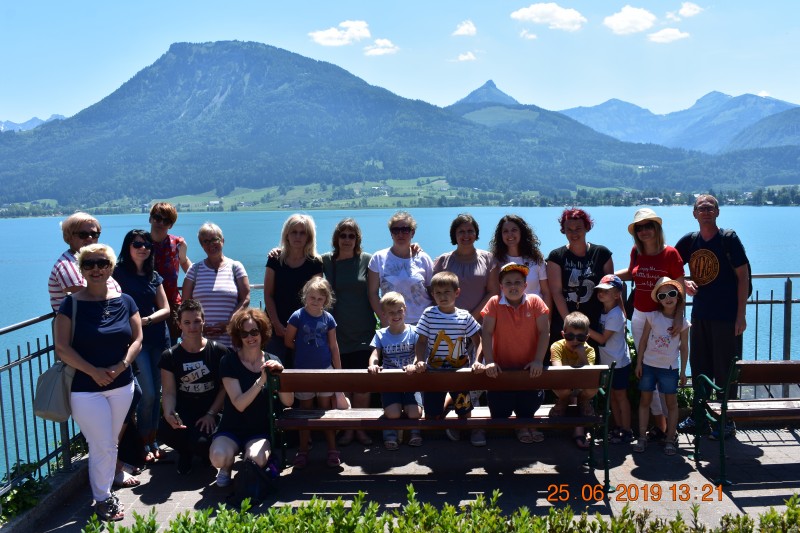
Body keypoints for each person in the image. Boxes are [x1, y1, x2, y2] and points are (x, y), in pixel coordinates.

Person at [54, 244, 142, 521]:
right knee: (102, 443)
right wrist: (93, 371)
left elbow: (138, 339)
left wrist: (122, 365)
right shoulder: (71, 304)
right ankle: (103, 498)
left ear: (111, 267)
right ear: (81, 269)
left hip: (122, 385)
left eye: (102, 263)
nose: (96, 269)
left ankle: (104, 489)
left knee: (110, 443)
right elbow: (62, 348)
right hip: (85, 389)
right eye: (89, 264)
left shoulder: (126, 301)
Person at [675, 194, 749, 440]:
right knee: (700, 368)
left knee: (725, 370)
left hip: (726, 317)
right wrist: (683, 282)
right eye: (701, 208)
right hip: (700, 315)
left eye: (710, 208)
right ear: (694, 213)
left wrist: (741, 315)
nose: (706, 211)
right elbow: (670, 264)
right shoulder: (690, 241)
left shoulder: (728, 239)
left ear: (717, 212)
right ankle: (699, 416)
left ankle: (726, 420)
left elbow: (743, 277)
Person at [616, 208, 685, 443]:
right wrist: (608, 276)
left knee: (664, 369)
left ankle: (667, 427)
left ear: (657, 228)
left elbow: (680, 287)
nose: (644, 231)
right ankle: (661, 425)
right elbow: (632, 273)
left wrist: (678, 317)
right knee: (647, 371)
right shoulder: (636, 252)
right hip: (639, 317)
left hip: (663, 319)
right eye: (639, 228)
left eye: (648, 226)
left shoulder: (670, 254)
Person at [209, 308, 293, 488]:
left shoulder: (273, 360)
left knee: (254, 459)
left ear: (262, 333)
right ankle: (226, 467)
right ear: (238, 336)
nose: (250, 337)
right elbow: (239, 404)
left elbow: (288, 402)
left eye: (254, 332)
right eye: (244, 333)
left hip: (259, 430)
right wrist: (261, 380)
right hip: (232, 427)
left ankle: (250, 469)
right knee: (218, 457)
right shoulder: (229, 361)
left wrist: (280, 376)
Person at [113, 229, 171, 463]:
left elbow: (166, 309)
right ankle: (143, 443)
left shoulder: (153, 276)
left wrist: (145, 320)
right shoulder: (117, 274)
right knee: (147, 393)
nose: (143, 248)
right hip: (136, 343)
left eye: (147, 245)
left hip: (159, 339)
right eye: (137, 244)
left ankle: (152, 440)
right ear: (128, 247)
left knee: (157, 393)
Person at [476, 262, 549, 444]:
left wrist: (538, 360)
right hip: (502, 370)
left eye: (518, 282)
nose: (513, 286)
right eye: (508, 282)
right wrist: (489, 361)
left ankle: (524, 424)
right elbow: (486, 332)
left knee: (528, 407)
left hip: (529, 370)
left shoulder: (535, 301)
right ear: (501, 286)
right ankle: (521, 426)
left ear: (525, 285)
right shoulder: (494, 303)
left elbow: (544, 332)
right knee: (500, 413)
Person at [410, 271, 483, 446]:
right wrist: (419, 360)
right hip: (434, 371)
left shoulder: (464, 316)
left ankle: (466, 432)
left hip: (459, 372)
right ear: (433, 294)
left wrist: (477, 361)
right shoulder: (429, 314)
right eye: (438, 293)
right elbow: (421, 341)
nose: (442, 296)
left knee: (464, 410)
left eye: (447, 292)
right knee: (432, 414)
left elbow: (478, 340)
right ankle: (438, 439)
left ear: (457, 292)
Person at [322, 218, 376, 447]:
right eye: (342, 235)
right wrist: (277, 251)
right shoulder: (326, 261)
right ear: (336, 238)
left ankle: (360, 429)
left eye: (351, 236)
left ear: (357, 239)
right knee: (343, 384)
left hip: (363, 331)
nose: (346, 239)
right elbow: (301, 255)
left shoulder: (367, 260)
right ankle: (348, 429)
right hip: (338, 334)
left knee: (362, 385)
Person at [159, 299, 228, 475]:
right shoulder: (170, 355)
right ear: (179, 324)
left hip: (211, 411)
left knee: (202, 444)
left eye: (197, 321)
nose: (192, 327)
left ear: (203, 321)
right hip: (185, 411)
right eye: (187, 322)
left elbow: (224, 388)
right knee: (165, 430)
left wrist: (211, 414)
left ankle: (203, 452)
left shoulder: (218, 351)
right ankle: (185, 453)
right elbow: (168, 391)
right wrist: (169, 413)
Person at [284, 278, 343, 468]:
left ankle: (332, 449)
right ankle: (303, 450)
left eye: (320, 298)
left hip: (325, 370)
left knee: (326, 412)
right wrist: (304, 351)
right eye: (312, 297)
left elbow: (333, 346)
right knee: (305, 413)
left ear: (326, 300)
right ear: (305, 296)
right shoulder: (297, 316)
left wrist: (338, 371)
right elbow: (288, 340)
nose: (315, 301)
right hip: (303, 372)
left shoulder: (328, 319)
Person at [633, 278, 690, 455]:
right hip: (649, 366)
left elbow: (684, 348)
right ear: (658, 299)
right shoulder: (652, 317)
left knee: (671, 404)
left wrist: (683, 371)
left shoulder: (683, 323)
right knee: (645, 401)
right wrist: (639, 363)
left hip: (669, 369)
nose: (668, 298)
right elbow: (643, 341)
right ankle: (642, 437)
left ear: (678, 296)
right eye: (662, 295)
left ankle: (670, 439)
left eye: (671, 293)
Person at [547, 208, 613, 347]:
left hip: (593, 323)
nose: (574, 233)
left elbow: (611, 287)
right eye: (569, 229)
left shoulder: (601, 254)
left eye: (578, 228)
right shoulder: (556, 256)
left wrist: (619, 316)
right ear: (563, 230)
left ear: (587, 228)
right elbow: (556, 292)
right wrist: (569, 322)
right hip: (565, 325)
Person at [263, 214, 323, 366]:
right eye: (294, 232)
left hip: (304, 330)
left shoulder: (315, 263)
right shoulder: (275, 259)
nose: (298, 236)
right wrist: (276, 324)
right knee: (274, 371)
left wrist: (300, 327)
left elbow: (315, 299)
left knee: (302, 372)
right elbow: (268, 294)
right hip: (275, 328)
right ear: (286, 235)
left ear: (309, 236)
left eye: (302, 233)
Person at [368, 292, 423, 449]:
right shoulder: (381, 334)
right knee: (393, 414)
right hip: (390, 382)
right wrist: (373, 365)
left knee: (415, 413)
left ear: (405, 309)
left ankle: (413, 433)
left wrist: (415, 364)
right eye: (391, 312)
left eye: (399, 311)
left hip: (410, 381)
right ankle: (390, 434)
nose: (396, 315)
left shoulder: (414, 332)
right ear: (384, 314)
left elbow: (419, 354)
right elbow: (375, 355)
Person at [183, 223, 250, 349]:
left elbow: (245, 298)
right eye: (206, 241)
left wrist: (229, 323)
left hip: (230, 340)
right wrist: (199, 326)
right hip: (199, 340)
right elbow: (185, 304)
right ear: (202, 245)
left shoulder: (236, 267)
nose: (211, 244)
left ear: (222, 241)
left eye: (215, 239)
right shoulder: (194, 270)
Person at [587, 274, 634, 444]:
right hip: (608, 362)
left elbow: (602, 339)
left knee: (620, 396)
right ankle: (618, 427)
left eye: (606, 291)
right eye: (600, 290)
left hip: (618, 362)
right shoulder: (605, 311)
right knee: (612, 396)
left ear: (617, 294)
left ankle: (627, 430)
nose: (601, 293)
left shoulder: (615, 314)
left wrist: (584, 328)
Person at [368, 211, 433, 326]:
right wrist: (384, 319)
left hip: (422, 322)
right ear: (391, 233)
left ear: (412, 232)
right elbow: (372, 293)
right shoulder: (378, 258)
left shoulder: (424, 258)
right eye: (396, 230)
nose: (400, 234)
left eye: (405, 229)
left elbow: (433, 292)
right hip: (392, 323)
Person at [48, 212, 120, 312]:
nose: (90, 238)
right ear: (69, 237)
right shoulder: (67, 265)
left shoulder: (90, 262)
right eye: (83, 234)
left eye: (94, 234)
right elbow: (89, 302)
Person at [433, 213, 498, 323]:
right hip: (450, 323)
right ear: (454, 235)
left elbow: (493, 292)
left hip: (481, 323)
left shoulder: (488, 259)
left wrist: (470, 320)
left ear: (476, 233)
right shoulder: (443, 261)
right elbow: (435, 292)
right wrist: (451, 318)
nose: (466, 235)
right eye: (461, 231)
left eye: (470, 231)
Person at [549, 311, 598, 449]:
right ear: (563, 334)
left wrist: (582, 355)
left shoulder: (589, 350)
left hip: (581, 387)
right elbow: (558, 372)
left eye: (580, 337)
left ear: (587, 337)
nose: (575, 341)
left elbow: (590, 376)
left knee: (592, 387)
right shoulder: (557, 346)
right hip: (564, 385)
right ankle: (567, 401)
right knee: (563, 388)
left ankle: (580, 401)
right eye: (570, 336)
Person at [149, 202, 192, 343]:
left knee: (171, 349)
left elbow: (186, 264)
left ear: (171, 225)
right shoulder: (140, 243)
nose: (161, 223)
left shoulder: (177, 244)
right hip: (146, 305)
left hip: (171, 305)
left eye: (166, 221)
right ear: (150, 219)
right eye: (157, 218)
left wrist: (202, 283)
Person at [489, 214, 551, 308]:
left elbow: (546, 292)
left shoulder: (536, 258)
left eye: (514, 230)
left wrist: (546, 316)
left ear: (522, 232)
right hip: (506, 314)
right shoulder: (495, 261)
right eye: (505, 231)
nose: (510, 234)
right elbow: (494, 293)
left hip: (535, 313)